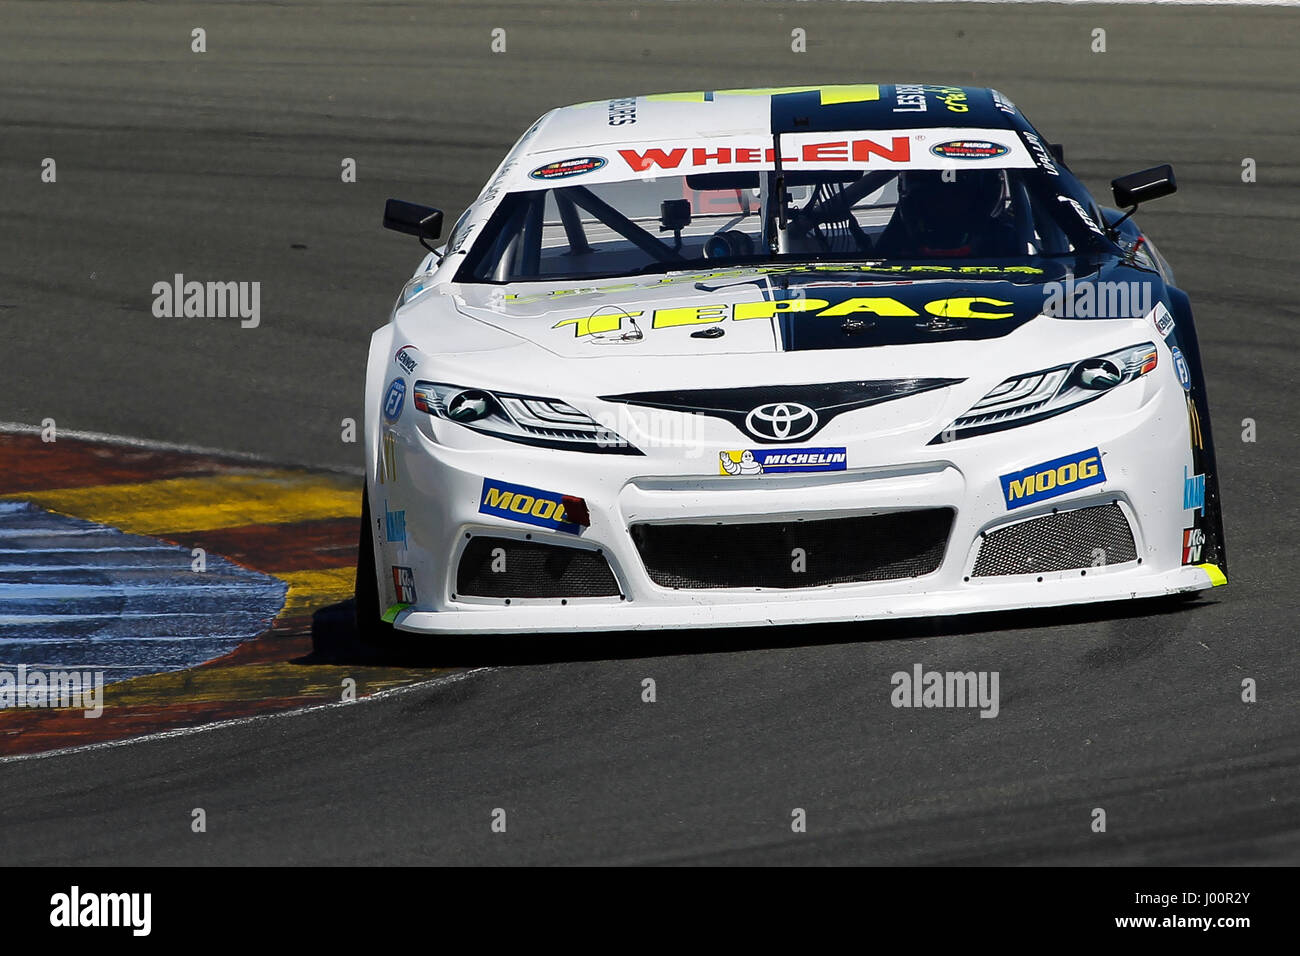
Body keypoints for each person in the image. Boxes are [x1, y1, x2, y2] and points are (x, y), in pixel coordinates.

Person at [875, 169, 1018, 258]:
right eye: (935, 197)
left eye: (956, 196)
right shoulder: (1020, 250)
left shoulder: (1016, 245)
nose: (945, 205)